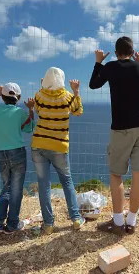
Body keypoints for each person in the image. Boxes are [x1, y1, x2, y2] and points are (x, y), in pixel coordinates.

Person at [88, 36, 139, 235]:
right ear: (133, 51)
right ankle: (131, 221)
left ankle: (118, 222)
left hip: (121, 127)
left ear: (116, 53)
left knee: (116, 173)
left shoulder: (110, 67)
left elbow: (93, 84)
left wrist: (98, 62)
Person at [31, 67, 86, 235]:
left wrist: (43, 88)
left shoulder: (39, 96)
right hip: (59, 146)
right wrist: (76, 91)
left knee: (43, 185)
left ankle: (48, 224)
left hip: (39, 144)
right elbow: (78, 112)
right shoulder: (68, 97)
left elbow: (38, 111)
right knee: (67, 181)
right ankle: (76, 219)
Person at [0, 83, 35, 234]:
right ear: (18, 98)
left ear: (3, 97)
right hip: (17, 152)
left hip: (1, 153)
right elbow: (30, 127)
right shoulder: (20, 112)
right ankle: (11, 224)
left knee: (7, 186)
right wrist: (31, 109)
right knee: (16, 189)